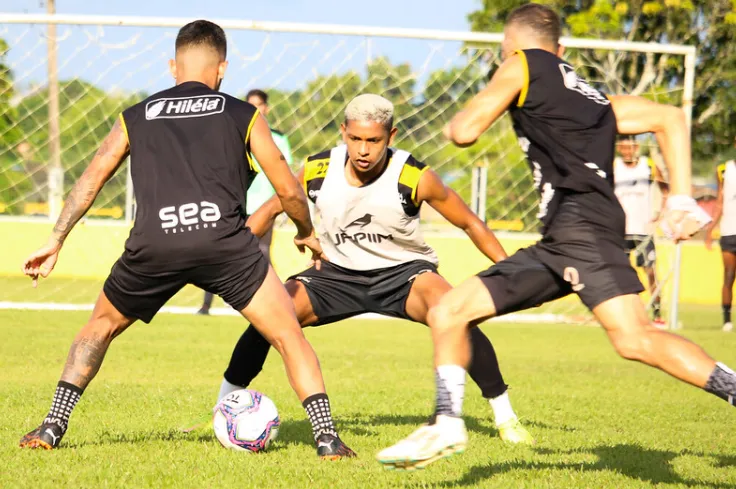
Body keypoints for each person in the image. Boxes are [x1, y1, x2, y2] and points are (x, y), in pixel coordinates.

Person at [377, 3, 723, 471]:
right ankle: (446, 423)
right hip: (564, 239)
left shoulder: (523, 63)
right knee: (449, 310)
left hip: (580, 230)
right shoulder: (595, 100)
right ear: (561, 50)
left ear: (509, 48)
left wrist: (491, 95)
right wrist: (680, 200)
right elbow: (671, 119)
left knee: (636, 339)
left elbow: (463, 131)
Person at [18, 19, 355, 459]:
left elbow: (93, 175)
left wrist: (56, 238)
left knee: (98, 328)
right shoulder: (244, 114)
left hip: (155, 244)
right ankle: (327, 438)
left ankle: (52, 425)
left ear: (173, 67)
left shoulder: (135, 115)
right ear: (222, 70)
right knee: (288, 335)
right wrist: (307, 233)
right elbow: (288, 189)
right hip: (225, 245)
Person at [218, 93, 535, 445]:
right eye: (355, 139)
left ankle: (505, 416)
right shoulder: (318, 168)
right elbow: (268, 210)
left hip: (403, 274)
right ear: (343, 132)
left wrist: (510, 272)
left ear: (391, 136)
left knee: (455, 311)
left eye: (374, 140)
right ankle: (222, 408)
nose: (363, 150)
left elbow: (471, 224)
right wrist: (235, 254)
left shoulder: (414, 176)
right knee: (271, 316)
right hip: (334, 274)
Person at [197, 88, 293, 315]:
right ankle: (206, 305)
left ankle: (276, 304)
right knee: (220, 251)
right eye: (250, 104)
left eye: (258, 105)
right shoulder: (234, 133)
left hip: (264, 207)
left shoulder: (278, 138)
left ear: (266, 108)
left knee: (262, 253)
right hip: (234, 204)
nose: (255, 109)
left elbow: (285, 173)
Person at [613, 136, 669, 328]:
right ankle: (623, 314)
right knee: (620, 273)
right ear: (619, 148)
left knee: (651, 272)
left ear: (636, 147)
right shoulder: (613, 167)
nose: (628, 151)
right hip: (620, 230)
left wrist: (660, 214)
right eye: (624, 148)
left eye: (631, 148)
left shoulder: (648, 166)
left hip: (643, 230)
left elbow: (666, 190)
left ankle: (657, 314)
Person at [705, 143, 736, 332]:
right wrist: (710, 229)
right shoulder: (724, 169)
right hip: (729, 230)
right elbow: (720, 200)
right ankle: (726, 319)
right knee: (729, 275)